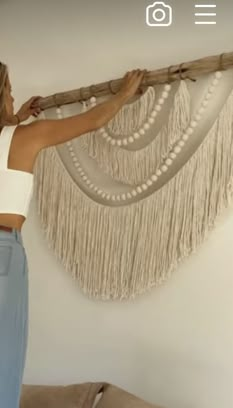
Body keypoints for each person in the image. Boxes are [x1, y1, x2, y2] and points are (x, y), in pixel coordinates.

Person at [0, 62, 146, 407]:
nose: (13, 95)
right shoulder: (25, 137)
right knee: (4, 351)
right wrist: (124, 94)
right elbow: (93, 120)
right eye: (7, 90)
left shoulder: (18, 133)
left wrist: (16, 117)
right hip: (4, 249)